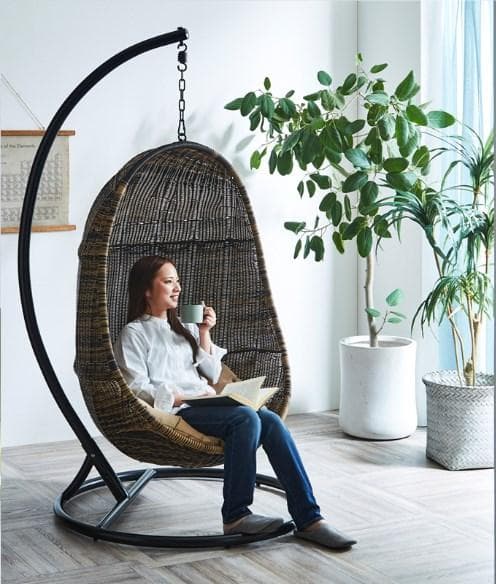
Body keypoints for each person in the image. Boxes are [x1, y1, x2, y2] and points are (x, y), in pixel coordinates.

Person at [114, 255, 357, 550]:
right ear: (146, 290)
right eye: (168, 282)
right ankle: (235, 515)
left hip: (207, 403)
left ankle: (309, 519)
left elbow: (213, 373)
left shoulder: (185, 327)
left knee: (269, 419)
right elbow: (136, 387)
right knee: (246, 418)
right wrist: (182, 396)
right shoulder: (134, 333)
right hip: (179, 411)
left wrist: (204, 332)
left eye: (177, 281)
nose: (177, 288)